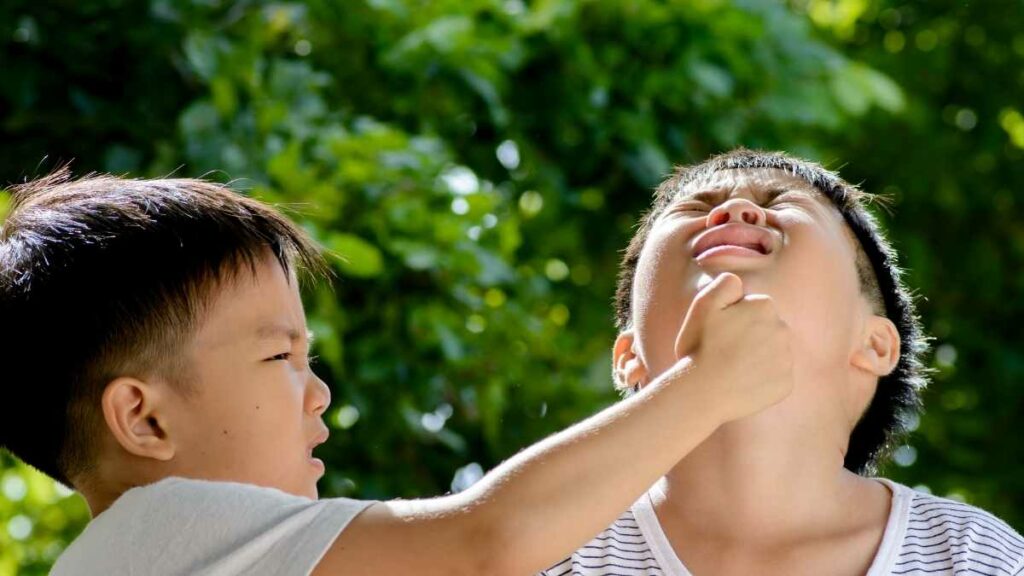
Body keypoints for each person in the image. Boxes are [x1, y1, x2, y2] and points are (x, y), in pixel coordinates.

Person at [0, 169, 797, 575]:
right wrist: (702, 388)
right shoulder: (162, 532)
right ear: (143, 419)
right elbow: (490, 539)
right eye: (279, 356)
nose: (319, 393)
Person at [541, 149, 1024, 576]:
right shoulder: (542, 547)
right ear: (629, 358)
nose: (734, 209)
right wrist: (698, 388)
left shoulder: (974, 556)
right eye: (695, 208)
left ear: (874, 345)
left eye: (780, 204)